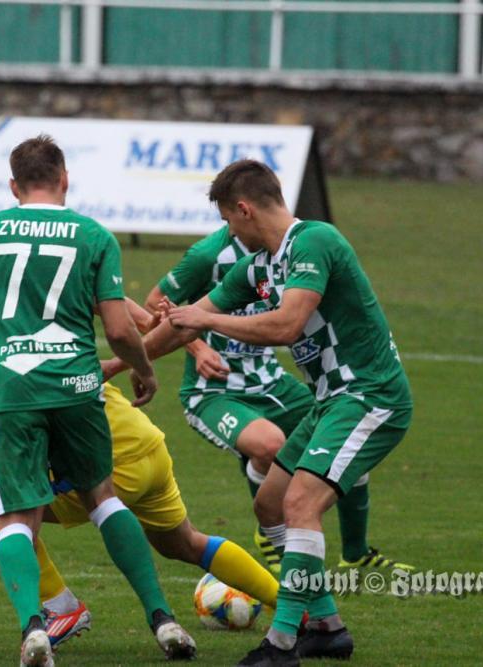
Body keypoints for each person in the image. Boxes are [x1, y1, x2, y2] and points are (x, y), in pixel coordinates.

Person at [0, 135, 195, 666]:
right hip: (76, 387)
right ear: (64, 180)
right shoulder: (94, 236)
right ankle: (162, 619)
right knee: (103, 499)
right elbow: (120, 330)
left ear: (13, 186)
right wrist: (145, 371)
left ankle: (35, 628)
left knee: (14, 516)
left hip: (12, 390)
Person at [138, 160, 414, 666]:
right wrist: (121, 364)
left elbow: (286, 325)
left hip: (370, 395)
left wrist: (207, 320)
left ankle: (282, 644)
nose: (229, 231)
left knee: (300, 504)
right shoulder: (260, 265)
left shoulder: (315, 241)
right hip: (331, 400)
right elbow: (185, 323)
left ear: (244, 210)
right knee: (270, 503)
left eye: (228, 220)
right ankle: (326, 626)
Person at [0, 324, 281, 649]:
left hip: (109, 466)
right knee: (185, 542)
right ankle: (291, 606)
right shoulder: (32, 343)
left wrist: (16, 536)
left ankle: (61, 608)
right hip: (149, 447)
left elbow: (33, 462)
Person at [136, 229, 413, 576]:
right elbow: (156, 302)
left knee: (348, 436)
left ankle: (355, 553)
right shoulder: (208, 255)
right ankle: (274, 536)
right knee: (269, 445)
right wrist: (199, 348)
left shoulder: (286, 253)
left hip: (272, 382)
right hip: (215, 391)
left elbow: (287, 322)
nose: (229, 224)